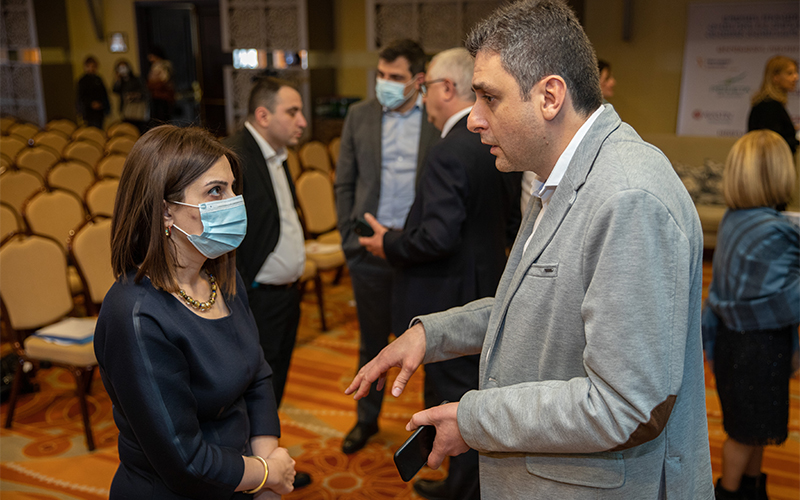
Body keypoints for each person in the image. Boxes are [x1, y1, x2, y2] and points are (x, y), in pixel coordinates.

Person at [346, 1, 714, 498]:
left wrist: (474, 420)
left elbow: (626, 407)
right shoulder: (560, 178)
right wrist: (431, 335)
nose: (474, 119)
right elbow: (533, 309)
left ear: (550, 96)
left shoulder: (627, 198)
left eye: (488, 98)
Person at [94, 125, 296, 499]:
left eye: (233, 188)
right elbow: (186, 463)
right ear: (165, 212)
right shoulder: (135, 316)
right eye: (216, 191)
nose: (235, 201)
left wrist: (266, 467)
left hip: (241, 478)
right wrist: (267, 473)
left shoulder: (223, 277)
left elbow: (257, 375)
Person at [358, 47, 521, 500]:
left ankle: (462, 490)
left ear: (447, 89)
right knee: (470, 394)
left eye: (426, 85)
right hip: (487, 285)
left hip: (449, 295)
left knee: (454, 398)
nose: (422, 95)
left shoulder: (448, 150)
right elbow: (510, 221)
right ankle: (459, 485)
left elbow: (437, 237)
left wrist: (388, 243)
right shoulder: (498, 140)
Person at [334, 39, 440, 455]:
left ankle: (432, 429)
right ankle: (366, 420)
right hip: (370, 252)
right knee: (373, 341)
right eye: (381, 75)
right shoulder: (359, 116)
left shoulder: (435, 118)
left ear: (418, 80)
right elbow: (345, 182)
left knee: (432, 343)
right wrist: (350, 242)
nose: (385, 83)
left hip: (419, 250)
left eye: (395, 77)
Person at [223, 76, 312, 489]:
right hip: (253, 298)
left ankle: (268, 466)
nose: (302, 121)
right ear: (262, 115)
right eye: (292, 112)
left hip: (284, 295)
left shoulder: (275, 154)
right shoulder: (235, 157)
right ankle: (249, 477)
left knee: (270, 388)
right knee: (249, 393)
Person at [702, 130, 799, 500]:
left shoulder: (734, 219)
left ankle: (754, 489)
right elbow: (786, 299)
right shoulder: (775, 231)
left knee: (755, 430)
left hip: (734, 343)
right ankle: (728, 493)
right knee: (744, 435)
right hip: (759, 349)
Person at [748, 56, 799, 155]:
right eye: (790, 73)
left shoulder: (769, 104)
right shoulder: (769, 106)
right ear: (775, 77)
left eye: (795, 72)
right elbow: (772, 143)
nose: (796, 77)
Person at [112, 58, 148, 134]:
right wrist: (117, 80)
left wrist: (134, 95)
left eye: (124, 67)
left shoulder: (136, 79)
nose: (122, 70)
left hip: (137, 109)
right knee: (128, 128)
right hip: (126, 109)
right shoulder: (120, 81)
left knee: (139, 129)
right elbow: (115, 90)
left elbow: (144, 92)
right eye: (120, 68)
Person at [76, 56, 110, 129]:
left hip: (99, 111)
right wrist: (91, 104)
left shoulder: (98, 79)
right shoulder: (82, 81)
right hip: (88, 112)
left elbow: (104, 94)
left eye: (93, 66)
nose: (91, 69)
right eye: (89, 66)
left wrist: (104, 106)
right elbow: (81, 97)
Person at [147, 46, 175, 127]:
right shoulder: (155, 65)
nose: (149, 58)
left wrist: (153, 84)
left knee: (162, 121)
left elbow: (163, 80)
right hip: (156, 97)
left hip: (163, 97)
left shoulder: (164, 65)